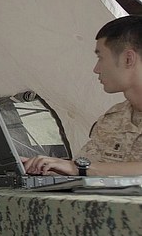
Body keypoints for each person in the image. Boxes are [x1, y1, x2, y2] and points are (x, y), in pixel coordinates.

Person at [22, 15, 142, 177]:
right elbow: (84, 171)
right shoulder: (113, 118)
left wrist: (80, 168)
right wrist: (46, 168)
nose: (96, 69)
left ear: (128, 59)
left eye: (101, 58)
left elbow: (84, 168)